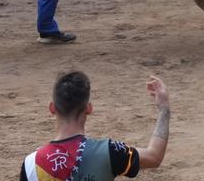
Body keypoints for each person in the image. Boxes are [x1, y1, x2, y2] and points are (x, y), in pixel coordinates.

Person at [20, 71, 169, 180]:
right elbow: (154, 156)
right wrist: (164, 109)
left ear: (52, 108)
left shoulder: (31, 164)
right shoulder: (109, 152)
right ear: (89, 109)